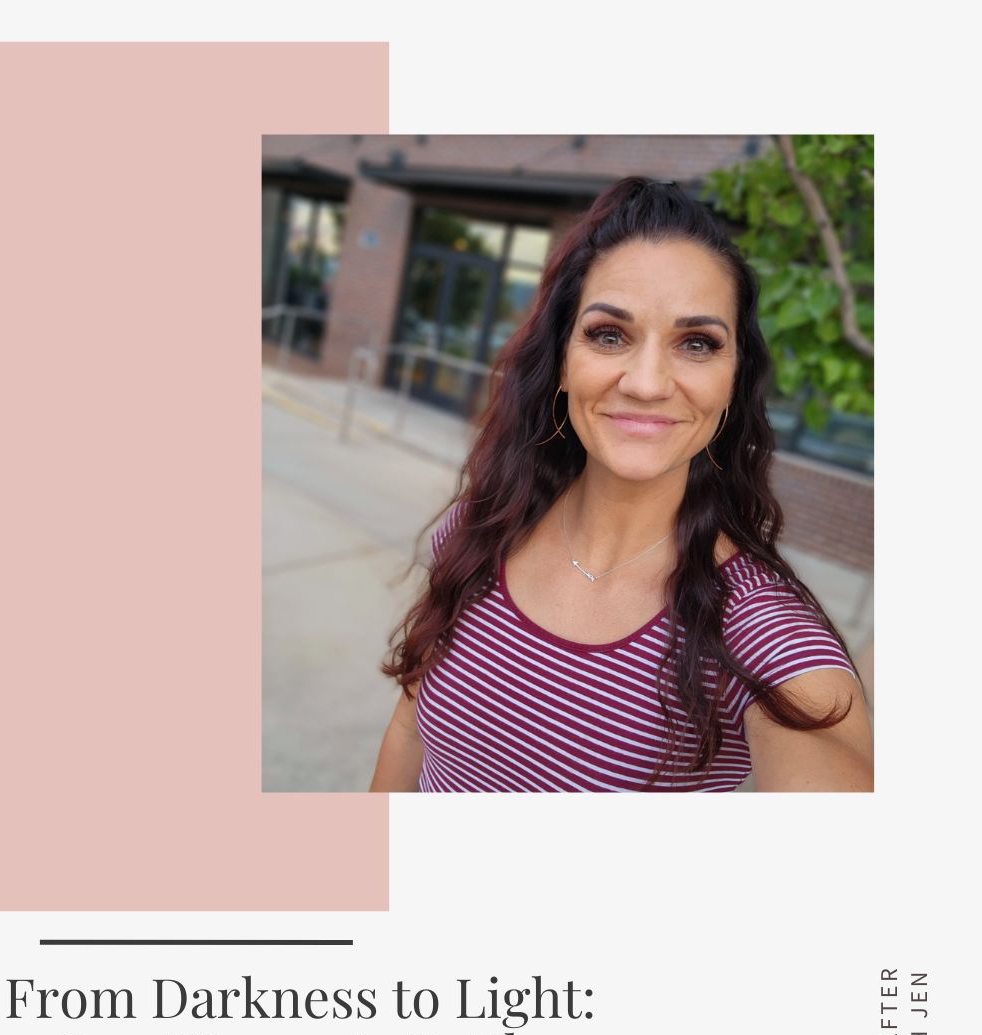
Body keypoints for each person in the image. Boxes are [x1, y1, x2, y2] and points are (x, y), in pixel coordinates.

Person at [369, 178, 873, 793]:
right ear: (560, 361)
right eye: (610, 335)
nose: (646, 382)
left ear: (734, 383)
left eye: (697, 343)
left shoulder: (759, 631)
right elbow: (409, 727)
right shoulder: (483, 526)